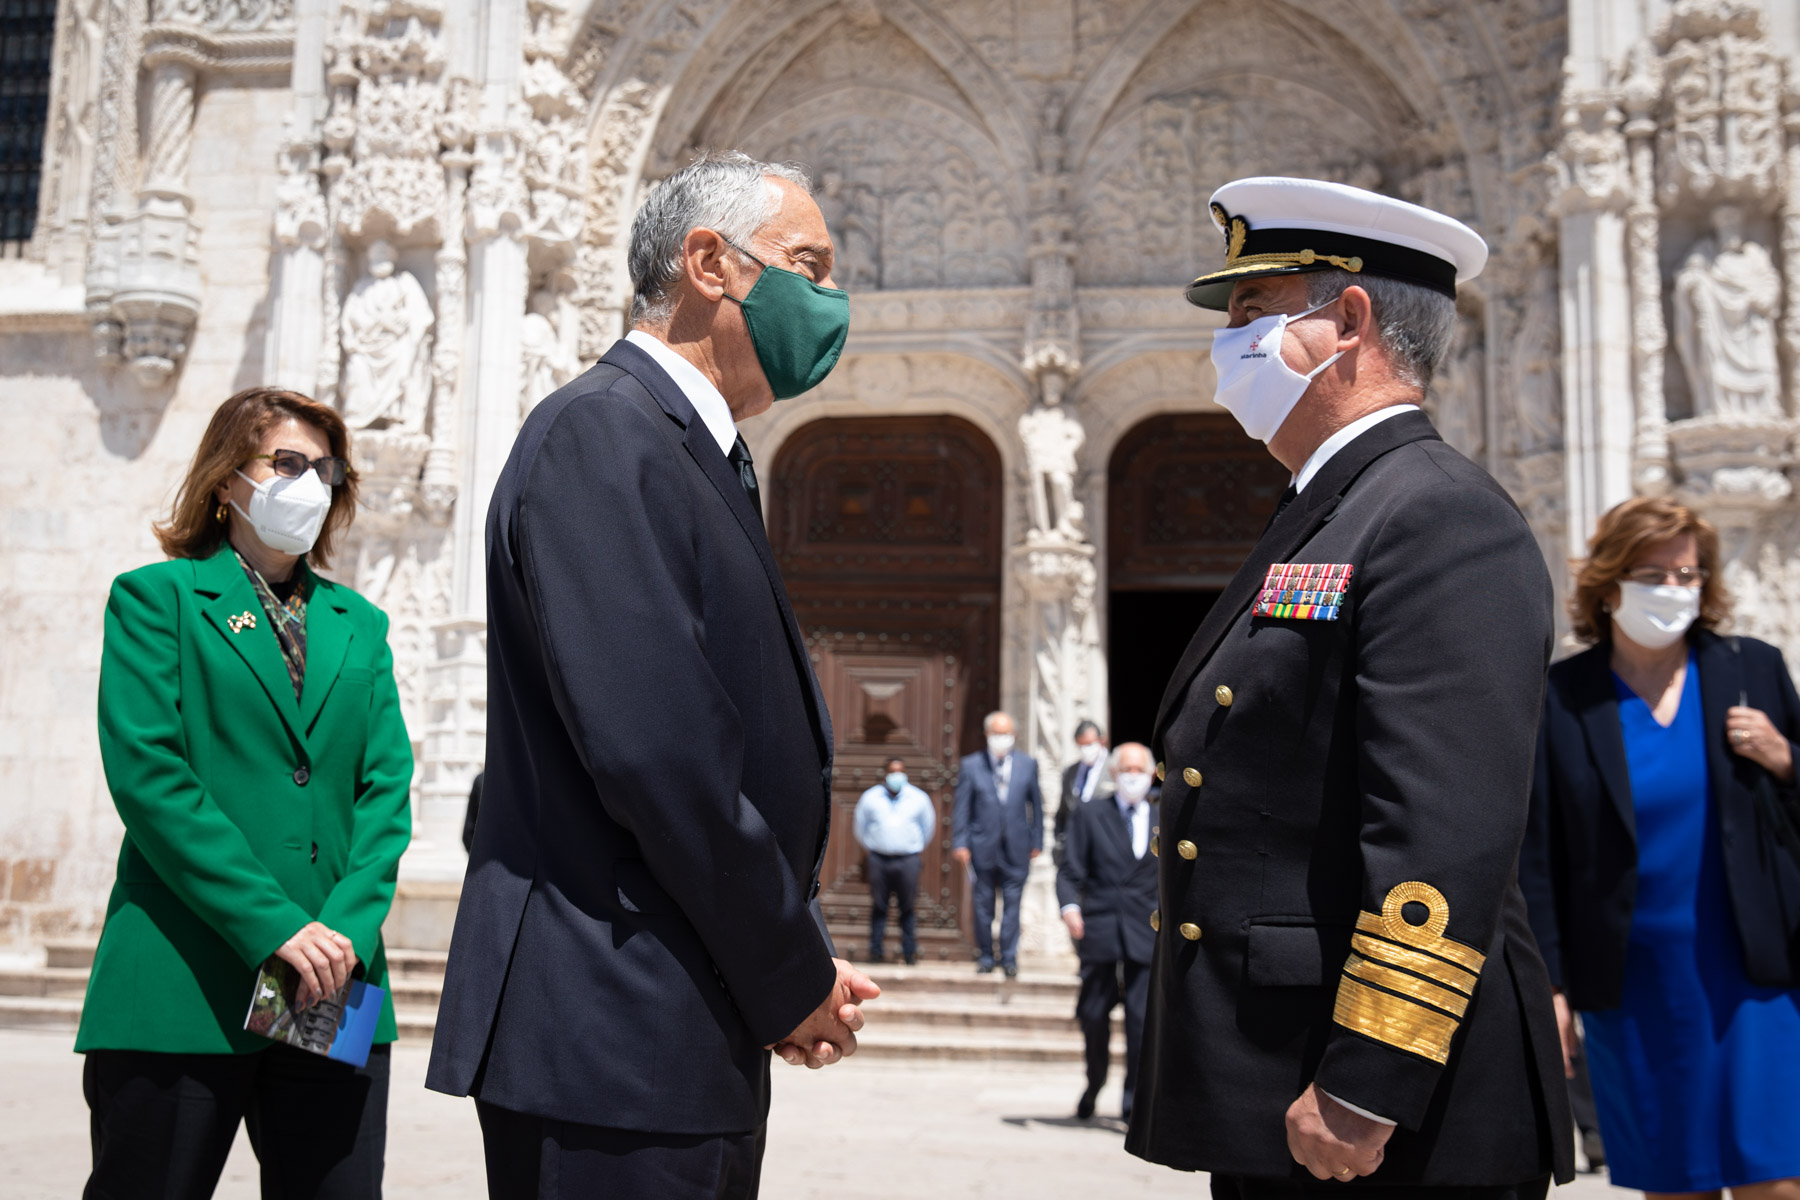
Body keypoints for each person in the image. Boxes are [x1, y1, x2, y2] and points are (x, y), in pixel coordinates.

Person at [425, 152, 878, 1200]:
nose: (831, 302)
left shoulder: (687, 449)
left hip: (671, 1020)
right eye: (807, 266)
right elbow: (661, 757)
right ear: (710, 264)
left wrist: (791, 954)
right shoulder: (603, 436)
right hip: (611, 1028)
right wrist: (789, 972)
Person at [1127, 176, 1574, 1195]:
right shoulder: (1338, 508)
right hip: (1286, 1070)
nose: (1226, 340)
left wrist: (1370, 1079)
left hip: (1388, 1115)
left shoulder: (1436, 514)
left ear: (1351, 318)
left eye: (1252, 310)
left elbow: (1441, 827)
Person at [79, 387, 414, 1198]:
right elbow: (151, 778)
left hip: (327, 980)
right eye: (286, 464)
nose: (309, 484)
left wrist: (338, 930)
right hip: (184, 975)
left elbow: (386, 794)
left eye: (325, 470)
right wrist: (276, 927)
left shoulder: (359, 624)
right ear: (228, 481)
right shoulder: (157, 602)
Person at [1519, 496, 1800, 1196]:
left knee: (1774, 1176)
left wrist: (1785, 757)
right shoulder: (1563, 697)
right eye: (1654, 573)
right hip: (1633, 981)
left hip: (1754, 974)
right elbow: (1539, 855)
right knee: (1675, 1181)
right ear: (1610, 583)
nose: (1674, 590)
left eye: (1688, 576)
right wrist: (1549, 985)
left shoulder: (1750, 669)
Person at [1057, 741, 1159, 1123]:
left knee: (1140, 1019)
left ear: (1151, 774)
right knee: (1094, 1014)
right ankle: (1094, 1082)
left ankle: (1133, 1098)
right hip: (1099, 928)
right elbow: (1069, 870)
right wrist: (1070, 908)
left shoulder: (1165, 818)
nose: (1133, 776)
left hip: (1146, 932)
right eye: (1126, 769)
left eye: (1140, 769)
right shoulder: (1089, 814)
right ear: (1115, 774)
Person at [952, 711, 1044, 977]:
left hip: (1017, 847)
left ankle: (1009, 956)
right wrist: (961, 841)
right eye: (995, 733)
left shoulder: (1028, 765)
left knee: (1013, 905)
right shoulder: (971, 765)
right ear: (986, 735)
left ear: (1013, 735)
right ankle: (985, 955)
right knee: (983, 905)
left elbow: (1035, 806)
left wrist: (1037, 840)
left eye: (1005, 733)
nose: (1000, 738)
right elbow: (962, 807)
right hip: (982, 847)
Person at [853, 757, 937, 965]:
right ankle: (875, 951)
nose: (896, 776)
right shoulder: (870, 797)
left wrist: (911, 846)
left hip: (908, 860)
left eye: (900, 771)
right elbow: (860, 827)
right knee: (879, 906)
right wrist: (874, 846)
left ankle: (909, 952)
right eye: (892, 771)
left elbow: (928, 829)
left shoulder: (919, 798)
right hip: (878, 860)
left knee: (907, 906)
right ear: (885, 774)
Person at [1052, 719, 1108, 866]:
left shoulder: (1114, 768)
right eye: (1081, 745)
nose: (1085, 749)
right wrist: (1060, 840)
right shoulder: (1071, 772)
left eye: (1089, 744)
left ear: (1102, 741)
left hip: (1104, 848)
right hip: (1075, 850)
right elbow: (1063, 811)